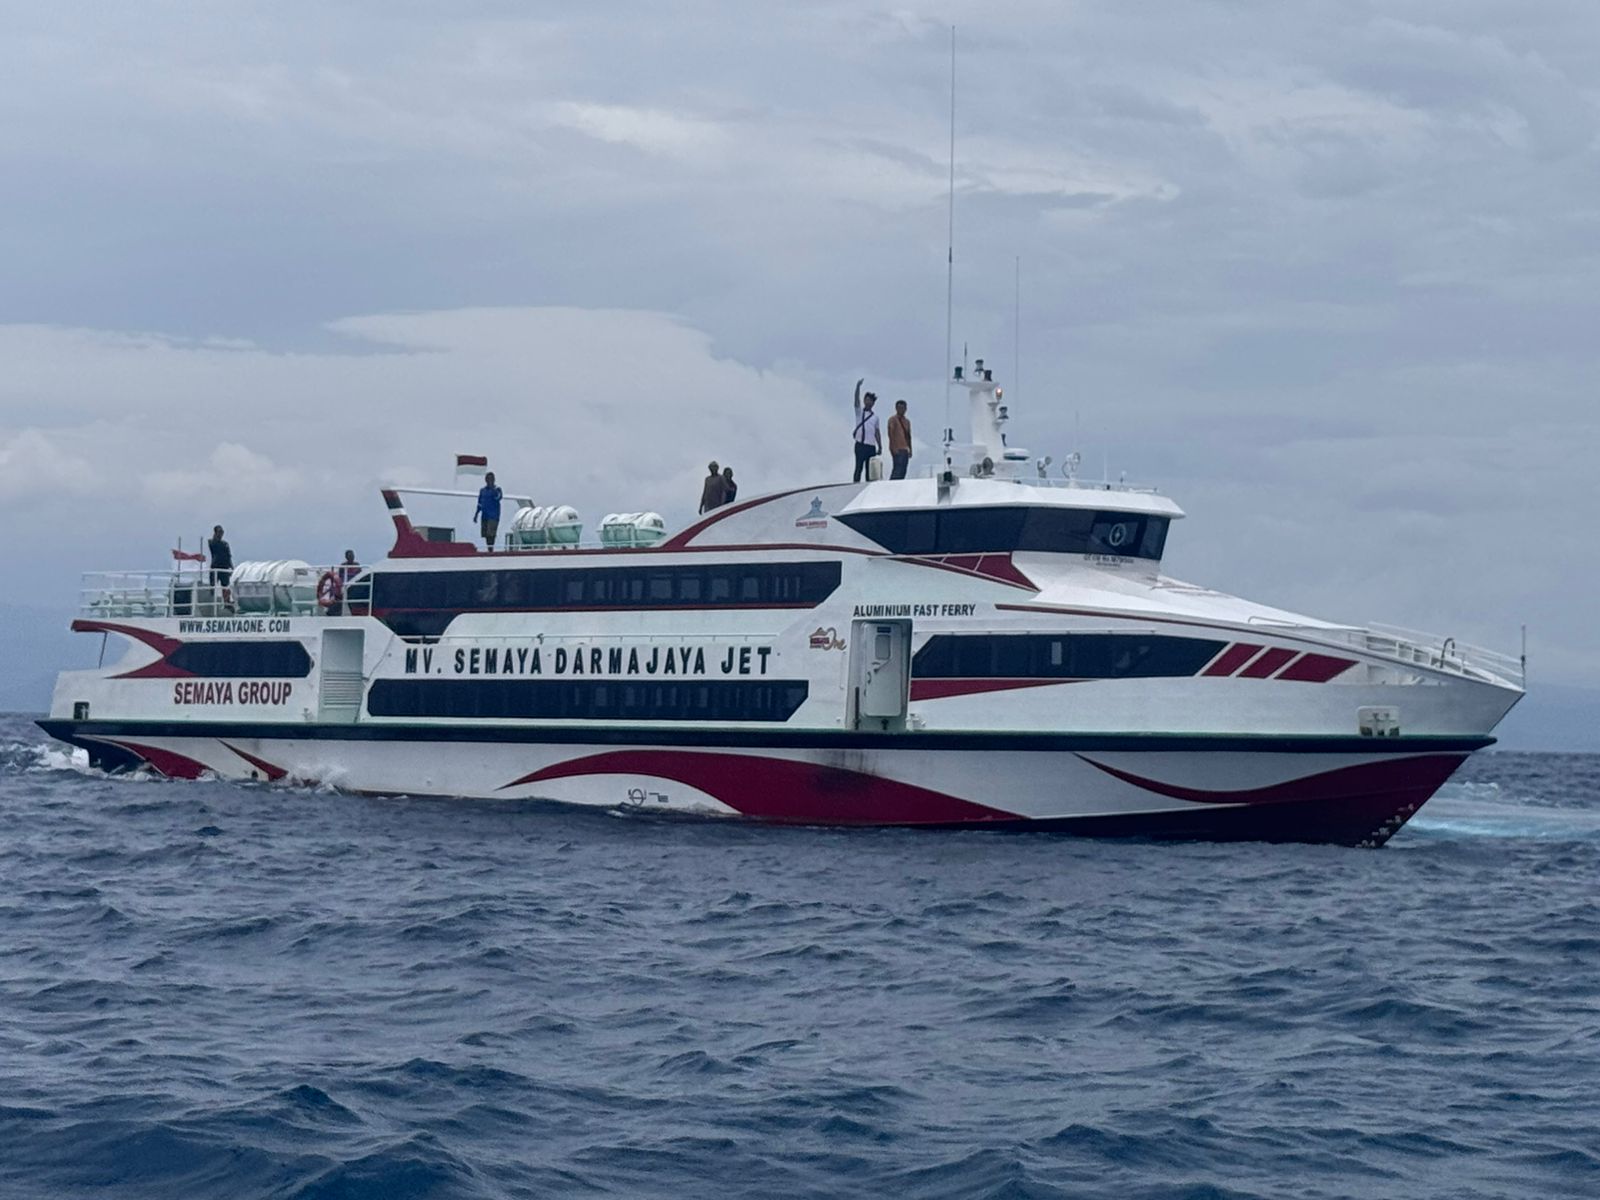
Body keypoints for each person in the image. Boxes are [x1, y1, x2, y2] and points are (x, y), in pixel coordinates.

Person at [852, 390, 882, 482]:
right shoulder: (859, 412)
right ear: (864, 400)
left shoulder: (875, 417)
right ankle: (855, 484)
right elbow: (856, 400)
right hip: (860, 444)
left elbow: (877, 432)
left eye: (870, 401)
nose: (868, 402)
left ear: (873, 403)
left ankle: (868, 486)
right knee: (858, 467)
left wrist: (880, 446)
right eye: (867, 400)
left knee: (870, 470)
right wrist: (857, 388)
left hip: (871, 446)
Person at [207, 524, 233, 610]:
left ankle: (227, 603)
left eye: (222, 532)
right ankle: (211, 602)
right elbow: (213, 545)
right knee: (212, 585)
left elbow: (229, 556)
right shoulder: (212, 542)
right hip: (215, 567)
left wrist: (231, 567)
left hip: (224, 567)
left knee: (225, 586)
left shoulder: (225, 544)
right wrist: (216, 536)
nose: (221, 534)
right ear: (215, 533)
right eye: (219, 532)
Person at [888, 399, 912, 480]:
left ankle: (899, 483)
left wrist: (910, 449)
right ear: (896, 408)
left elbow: (908, 436)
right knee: (897, 469)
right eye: (899, 408)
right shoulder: (892, 420)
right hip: (897, 448)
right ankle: (892, 484)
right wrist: (892, 447)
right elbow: (891, 434)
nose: (901, 410)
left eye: (903, 408)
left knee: (903, 470)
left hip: (905, 449)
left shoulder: (907, 422)